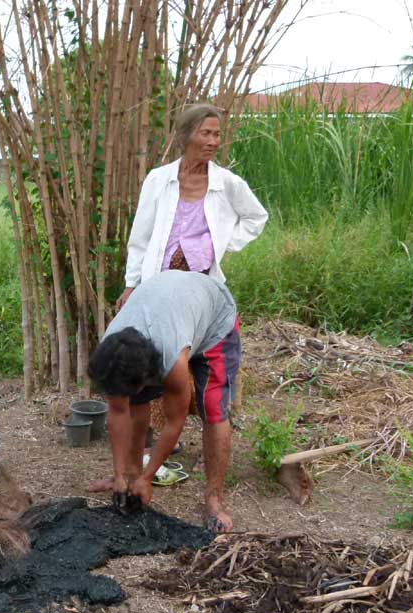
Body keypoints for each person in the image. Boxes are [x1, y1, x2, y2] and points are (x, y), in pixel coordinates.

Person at [113, 103, 267, 470]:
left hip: (201, 297)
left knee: (207, 386)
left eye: (217, 134)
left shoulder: (227, 184)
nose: (214, 141)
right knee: (143, 383)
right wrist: (132, 284)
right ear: (185, 137)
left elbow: (257, 217)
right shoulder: (158, 180)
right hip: (158, 295)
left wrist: (218, 244)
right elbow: (141, 237)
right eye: (206, 133)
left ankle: (202, 471)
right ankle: (140, 466)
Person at [87, 271, 241, 533]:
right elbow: (119, 411)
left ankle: (214, 499)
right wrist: (120, 474)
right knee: (135, 403)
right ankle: (131, 475)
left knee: (213, 408)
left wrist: (149, 478)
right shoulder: (111, 352)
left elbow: (174, 423)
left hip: (214, 318)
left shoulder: (172, 363)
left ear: (149, 375)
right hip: (171, 307)